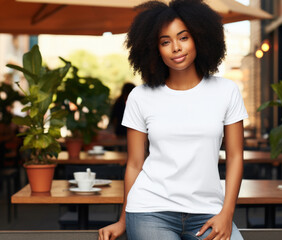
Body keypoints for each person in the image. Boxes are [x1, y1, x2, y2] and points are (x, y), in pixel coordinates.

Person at [98, 0, 248, 239]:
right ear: (154, 49)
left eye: (183, 37)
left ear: (200, 37)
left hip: (208, 210)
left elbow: (235, 156)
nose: (176, 48)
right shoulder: (140, 96)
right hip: (150, 210)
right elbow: (135, 164)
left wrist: (227, 214)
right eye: (165, 42)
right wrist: (123, 220)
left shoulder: (226, 91)